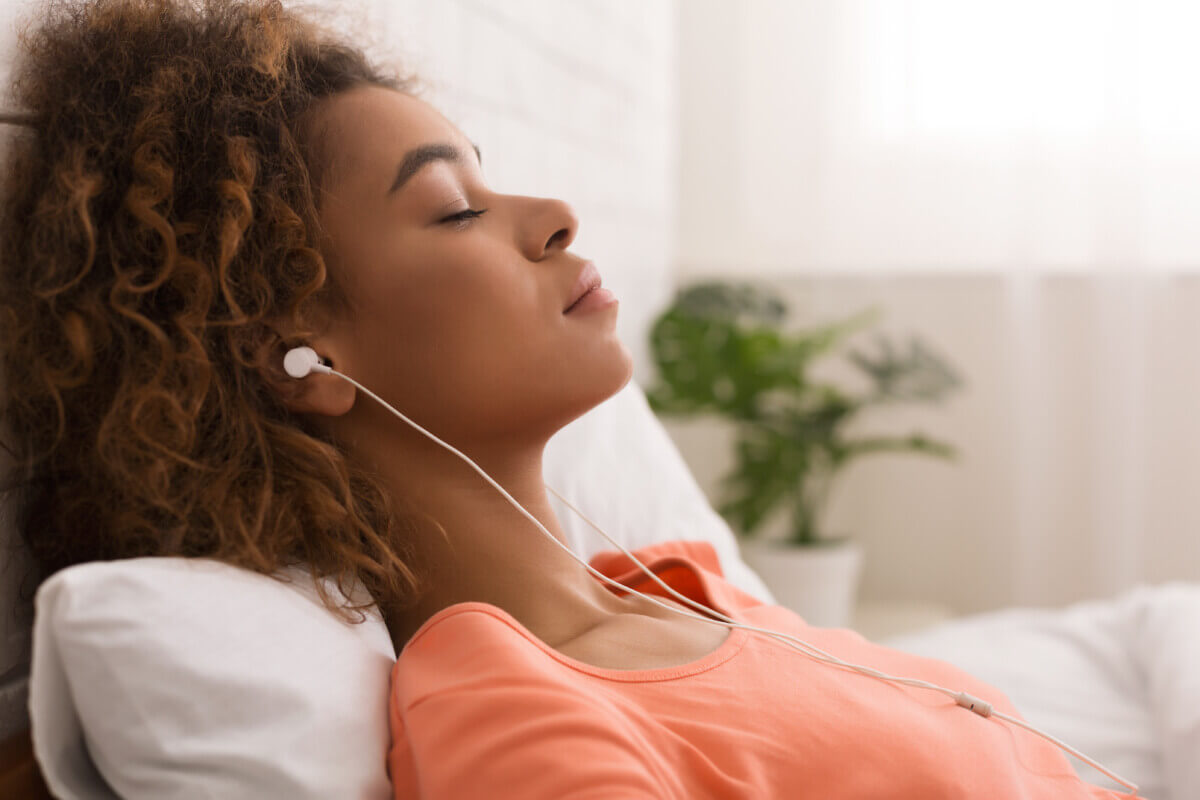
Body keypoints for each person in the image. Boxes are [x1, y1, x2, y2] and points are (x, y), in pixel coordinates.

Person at [0, 1, 1143, 798]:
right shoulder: (506, 706)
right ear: (296, 355)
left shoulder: (681, 582)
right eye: (454, 209)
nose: (553, 214)